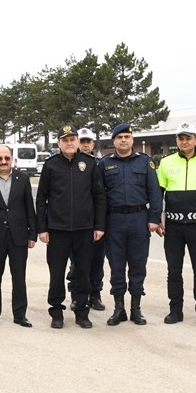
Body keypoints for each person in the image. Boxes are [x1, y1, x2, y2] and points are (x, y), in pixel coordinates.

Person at [36, 126, 106, 329]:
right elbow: (41, 199)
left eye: (72, 139)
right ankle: (56, 312)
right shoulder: (51, 165)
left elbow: (99, 197)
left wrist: (99, 226)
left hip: (84, 230)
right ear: (59, 143)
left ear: (77, 142)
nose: (69, 143)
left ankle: (82, 311)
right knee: (56, 273)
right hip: (57, 230)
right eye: (65, 140)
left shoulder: (89, 164)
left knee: (83, 273)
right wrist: (42, 228)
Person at [157, 122, 196, 327]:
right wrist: (156, 219)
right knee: (174, 271)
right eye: (181, 138)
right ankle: (175, 310)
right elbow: (158, 195)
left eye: (188, 138)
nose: (184, 141)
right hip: (173, 227)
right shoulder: (165, 163)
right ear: (176, 140)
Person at [99, 123, 162, 326]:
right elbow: (99, 196)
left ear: (132, 140)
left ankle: (136, 309)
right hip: (114, 220)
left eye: (127, 136)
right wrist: (100, 224)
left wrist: (154, 218)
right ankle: (119, 309)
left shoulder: (144, 162)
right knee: (116, 266)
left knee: (138, 265)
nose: (123, 140)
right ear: (114, 141)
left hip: (139, 219)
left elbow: (155, 192)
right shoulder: (105, 163)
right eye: (119, 137)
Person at [0, 144, 37, 327]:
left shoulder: (23, 179)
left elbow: (29, 207)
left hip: (19, 236)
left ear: (12, 159)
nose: (3, 161)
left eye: (7, 158)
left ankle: (20, 314)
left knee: (19, 277)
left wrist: (32, 234)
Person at [68, 127, 106, 311]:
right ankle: (76, 294)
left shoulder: (100, 164)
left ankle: (95, 294)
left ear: (92, 144)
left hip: (95, 222)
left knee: (97, 260)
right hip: (77, 223)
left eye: (87, 142)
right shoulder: (70, 163)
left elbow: (101, 196)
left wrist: (100, 223)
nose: (84, 145)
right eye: (81, 141)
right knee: (77, 262)